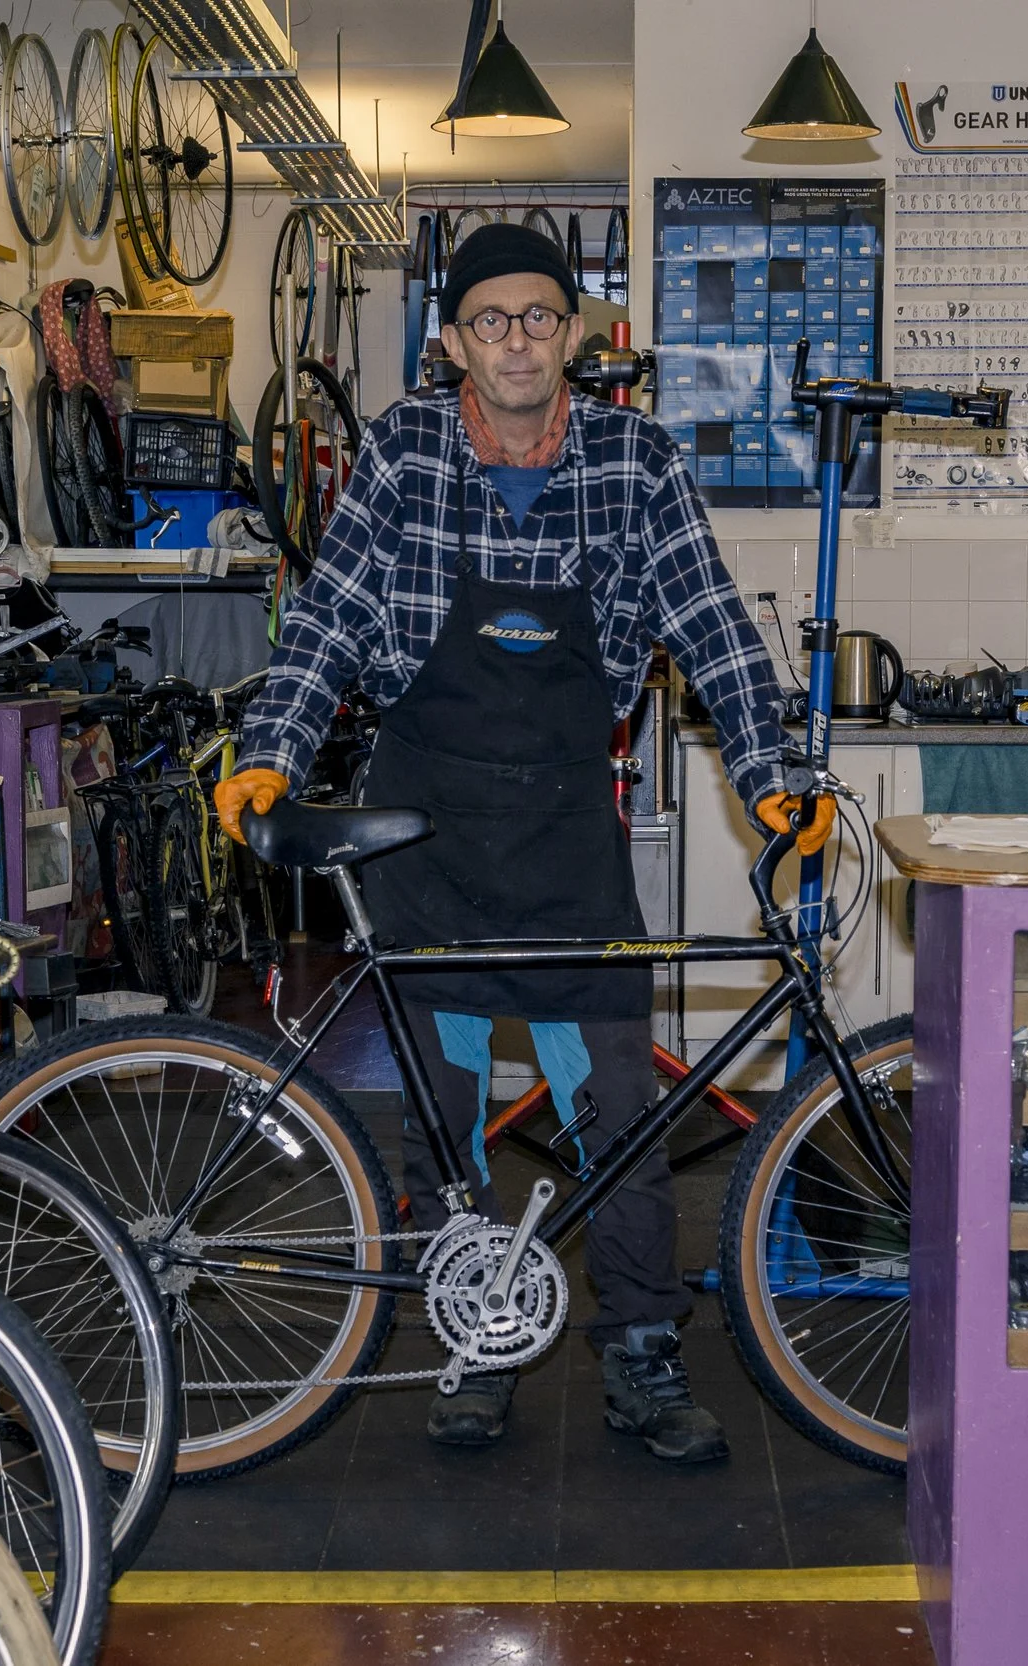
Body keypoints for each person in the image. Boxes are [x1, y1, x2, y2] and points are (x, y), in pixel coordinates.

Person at [214, 222, 832, 1464]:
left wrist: (768, 773)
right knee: (442, 1115)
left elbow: (710, 622)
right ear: (452, 341)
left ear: (573, 334)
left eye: (538, 316)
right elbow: (329, 617)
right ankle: (477, 1337)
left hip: (562, 829)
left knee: (617, 1105)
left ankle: (642, 1349)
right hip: (425, 828)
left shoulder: (635, 459)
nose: (515, 340)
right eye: (489, 320)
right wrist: (270, 749)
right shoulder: (400, 453)